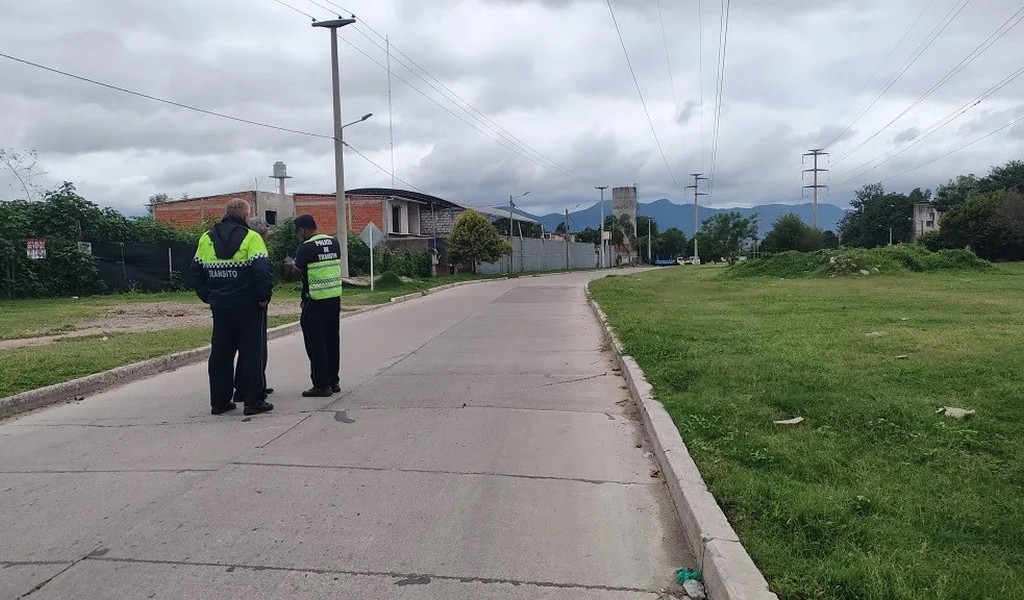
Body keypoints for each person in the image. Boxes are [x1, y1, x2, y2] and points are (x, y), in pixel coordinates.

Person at [191, 199, 274, 416]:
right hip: (248, 305)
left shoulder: (206, 238)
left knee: (220, 354)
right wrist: (263, 297)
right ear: (246, 215)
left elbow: (195, 271)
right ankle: (253, 401)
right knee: (252, 353)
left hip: (221, 305)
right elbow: (262, 270)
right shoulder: (252, 238)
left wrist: (208, 296)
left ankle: (220, 402)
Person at [286, 214, 342, 398]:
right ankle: (333, 381)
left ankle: (321, 385)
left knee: (315, 344)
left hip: (314, 301)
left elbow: (297, 274)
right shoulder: (334, 242)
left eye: (298, 232)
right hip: (334, 299)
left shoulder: (305, 248)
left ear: (302, 230)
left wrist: (290, 266)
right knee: (332, 341)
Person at [231, 216, 274, 404]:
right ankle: (251, 388)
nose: (267, 238)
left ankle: (248, 384)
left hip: (238, 300)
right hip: (255, 302)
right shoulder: (254, 243)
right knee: (256, 348)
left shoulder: (240, 242)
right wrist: (264, 297)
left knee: (245, 348)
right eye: (266, 235)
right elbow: (262, 273)